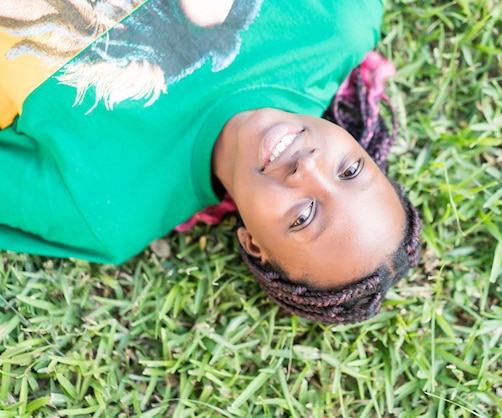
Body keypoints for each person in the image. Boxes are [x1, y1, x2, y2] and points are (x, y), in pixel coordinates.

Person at [0, 0, 421, 324]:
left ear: (255, 244)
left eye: (304, 217)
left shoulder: (103, 209)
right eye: (350, 171)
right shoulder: (333, 23)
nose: (308, 168)